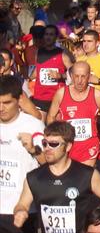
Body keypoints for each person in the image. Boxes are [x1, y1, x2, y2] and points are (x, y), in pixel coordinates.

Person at [13, 121, 100, 233]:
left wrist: (99, 225)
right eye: (45, 143)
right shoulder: (34, 177)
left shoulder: (87, 174)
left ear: (68, 146)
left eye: (54, 144)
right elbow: (22, 204)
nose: (47, 148)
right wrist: (20, 212)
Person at [0, 75, 45, 233]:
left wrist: (34, 150)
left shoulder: (33, 125)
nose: (1, 108)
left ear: (19, 100)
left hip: (22, 210)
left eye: (6, 103)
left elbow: (49, 164)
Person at [47, 61, 100, 167]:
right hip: (67, 145)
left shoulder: (97, 95)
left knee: (84, 177)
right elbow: (51, 116)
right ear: (71, 76)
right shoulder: (61, 93)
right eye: (76, 76)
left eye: (83, 76)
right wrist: (54, 135)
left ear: (89, 77)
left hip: (89, 145)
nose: (79, 81)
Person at [31, 25, 74, 116]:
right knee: (40, 126)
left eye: (51, 34)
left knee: (55, 128)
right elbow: (37, 70)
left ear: (56, 37)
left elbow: (74, 73)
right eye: (46, 34)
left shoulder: (62, 53)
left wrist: (61, 76)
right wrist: (28, 78)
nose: (48, 37)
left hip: (57, 97)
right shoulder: (38, 52)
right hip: (40, 97)